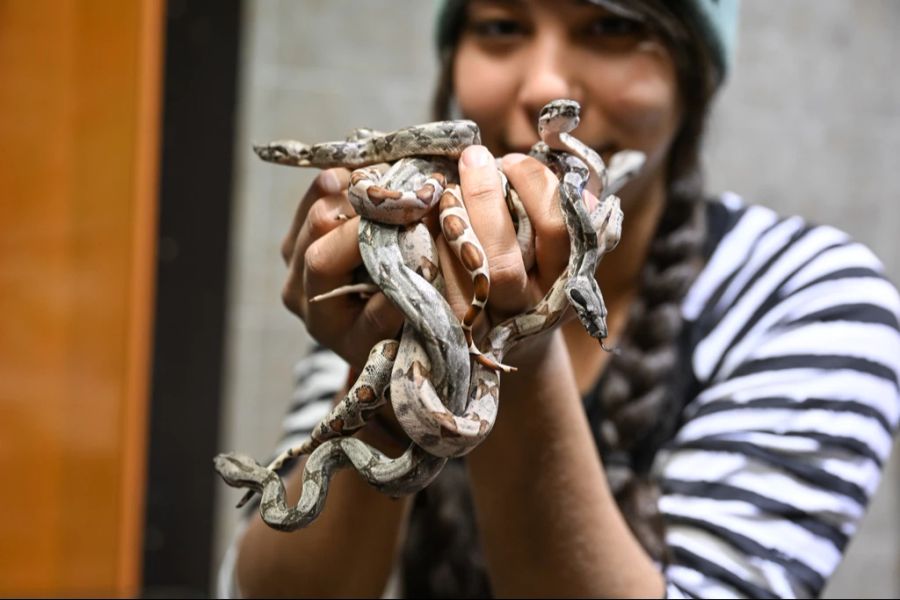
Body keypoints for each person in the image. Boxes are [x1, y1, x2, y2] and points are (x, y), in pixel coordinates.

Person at [218, 0, 900, 597]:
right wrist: (389, 351)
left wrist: (512, 342)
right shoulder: (391, 257)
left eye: (612, 25)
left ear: (693, 75)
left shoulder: (809, 296)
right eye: (501, 25)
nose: (543, 85)